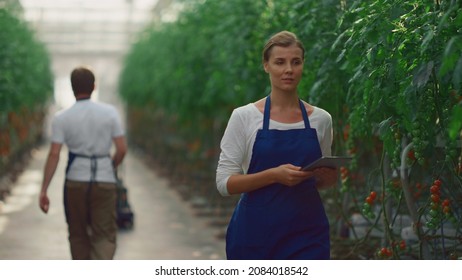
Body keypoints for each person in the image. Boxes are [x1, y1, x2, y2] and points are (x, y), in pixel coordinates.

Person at [216, 31, 338, 260]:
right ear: (266, 66)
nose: (289, 70)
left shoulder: (322, 119)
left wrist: (326, 176)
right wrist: (274, 175)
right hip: (255, 234)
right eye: (280, 62)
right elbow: (224, 183)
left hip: (308, 232)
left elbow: (325, 180)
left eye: (296, 62)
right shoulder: (244, 117)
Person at [39, 66, 127, 260]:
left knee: (78, 234)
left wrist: (44, 189)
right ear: (94, 86)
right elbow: (121, 149)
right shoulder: (110, 113)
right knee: (103, 234)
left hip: (75, 181)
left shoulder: (62, 118)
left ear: (72, 88)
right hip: (104, 180)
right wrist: (110, 166)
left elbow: (54, 154)